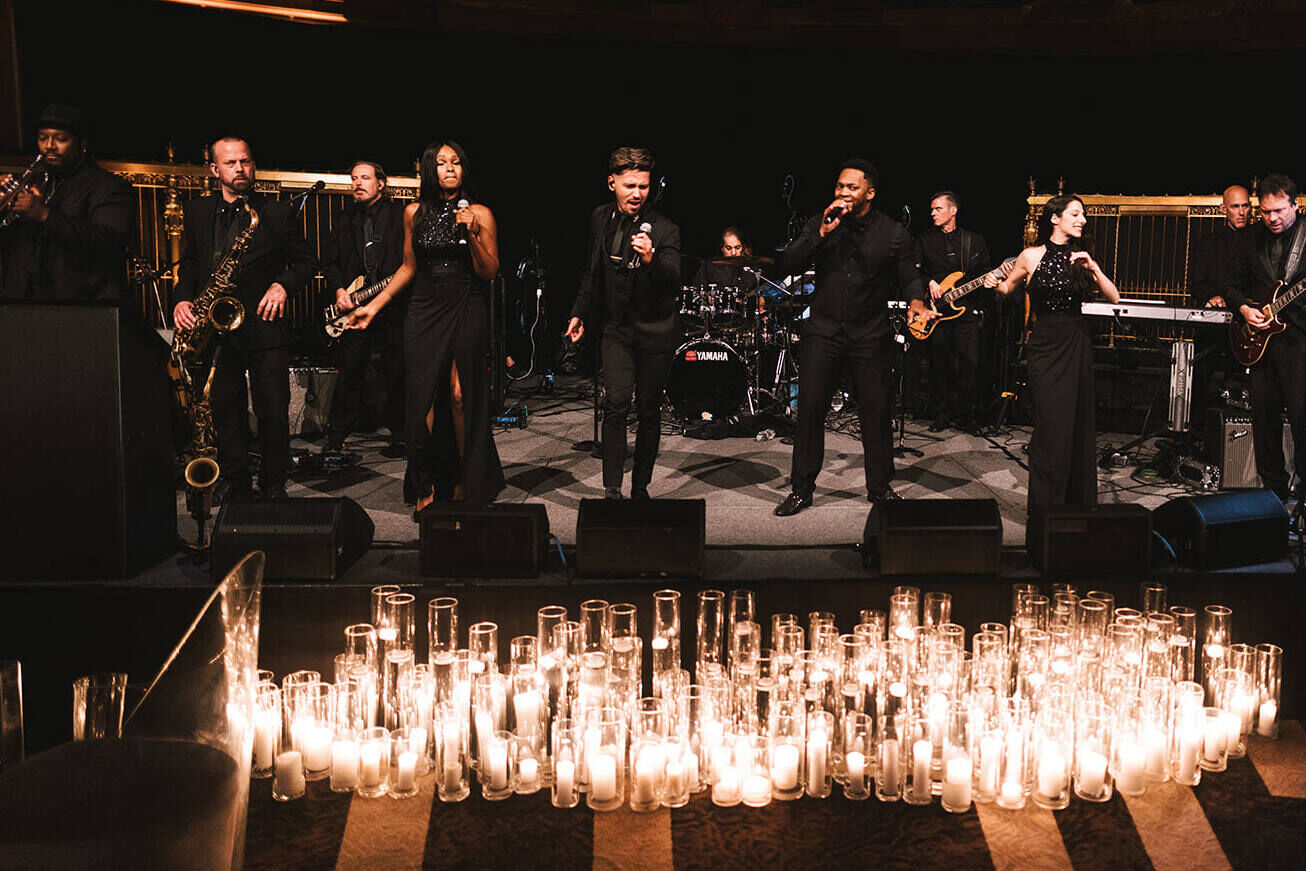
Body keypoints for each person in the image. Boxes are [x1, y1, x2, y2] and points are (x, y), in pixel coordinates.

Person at [349, 140, 505, 511]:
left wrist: (470, 233)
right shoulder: (413, 213)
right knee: (421, 401)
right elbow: (407, 267)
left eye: (456, 162)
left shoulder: (480, 213)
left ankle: (469, 482)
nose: (449, 168)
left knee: (460, 396)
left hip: (467, 302)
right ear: (428, 170)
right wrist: (374, 306)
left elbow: (489, 271)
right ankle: (424, 486)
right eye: (441, 163)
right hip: (424, 306)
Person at [774, 158, 925, 516]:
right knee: (810, 408)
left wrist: (917, 301)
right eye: (840, 186)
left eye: (851, 187)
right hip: (823, 331)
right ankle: (801, 489)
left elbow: (909, 277)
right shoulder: (822, 223)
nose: (843, 192)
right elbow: (789, 263)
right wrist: (820, 234)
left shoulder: (892, 233)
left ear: (869, 193)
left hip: (870, 334)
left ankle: (880, 488)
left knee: (875, 410)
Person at [174, 136, 318, 502]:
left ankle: (273, 484)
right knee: (225, 409)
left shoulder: (276, 213)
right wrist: (182, 301)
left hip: (263, 325)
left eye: (246, 162)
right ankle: (235, 481)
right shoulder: (196, 212)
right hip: (214, 327)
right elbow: (189, 265)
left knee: (273, 410)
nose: (240, 169)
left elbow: (305, 263)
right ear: (214, 169)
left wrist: (282, 286)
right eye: (231, 163)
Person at [565, 146, 682, 500]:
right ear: (612, 182)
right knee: (615, 402)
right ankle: (612, 489)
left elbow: (674, 279)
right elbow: (591, 271)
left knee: (648, 410)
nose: (637, 194)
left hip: (654, 332)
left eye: (643, 187)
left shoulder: (665, 229)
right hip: (616, 328)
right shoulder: (600, 218)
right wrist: (579, 312)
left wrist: (650, 259)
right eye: (630, 185)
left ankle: (640, 487)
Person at [995, 194, 1119, 527]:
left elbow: (1114, 296)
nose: (1082, 220)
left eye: (1083, 215)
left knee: (1076, 423)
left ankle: (1074, 506)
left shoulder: (1082, 258)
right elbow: (1008, 288)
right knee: (1050, 425)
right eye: (1075, 214)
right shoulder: (1031, 255)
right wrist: (998, 283)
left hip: (1076, 343)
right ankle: (1044, 508)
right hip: (1045, 345)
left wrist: (1093, 268)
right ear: (1055, 218)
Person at [1222, 173, 1306, 505]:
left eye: (1278, 211)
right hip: (1259, 344)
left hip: (1299, 342)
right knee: (1264, 420)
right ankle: (1273, 493)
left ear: (1295, 205)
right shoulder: (1248, 239)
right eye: (1265, 212)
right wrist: (1244, 308)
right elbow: (1229, 285)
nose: (1271, 218)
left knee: (1302, 419)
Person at [0, 104, 133, 301]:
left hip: (82, 305)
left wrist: (44, 214)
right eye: (42, 138)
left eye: (61, 139)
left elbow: (109, 241)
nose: (49, 146)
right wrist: (7, 210)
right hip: (23, 303)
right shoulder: (35, 182)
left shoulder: (109, 186)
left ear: (82, 144)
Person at [320, 160, 406, 455]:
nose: (357, 183)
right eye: (354, 178)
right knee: (351, 369)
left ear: (381, 183)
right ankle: (336, 437)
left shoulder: (399, 216)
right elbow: (329, 264)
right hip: (355, 306)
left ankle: (401, 434)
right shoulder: (345, 218)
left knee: (397, 369)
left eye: (365, 178)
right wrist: (340, 290)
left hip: (393, 305)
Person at [915, 191, 992, 433]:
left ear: (953, 211)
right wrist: (928, 281)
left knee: (969, 364)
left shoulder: (974, 241)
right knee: (939, 365)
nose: (933, 213)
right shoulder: (925, 240)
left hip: (965, 310)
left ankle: (967, 416)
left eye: (938, 209)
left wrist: (990, 280)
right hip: (936, 312)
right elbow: (911, 271)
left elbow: (985, 270)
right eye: (932, 209)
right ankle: (942, 413)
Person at [1189, 184, 1250, 425]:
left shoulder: (1259, 242)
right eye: (1236, 206)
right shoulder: (1207, 243)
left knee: (1244, 387)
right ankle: (1194, 434)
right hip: (1212, 328)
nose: (1242, 211)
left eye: (1246, 205)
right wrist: (1212, 297)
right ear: (1224, 208)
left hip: (1248, 329)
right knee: (1200, 383)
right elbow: (1196, 282)